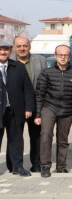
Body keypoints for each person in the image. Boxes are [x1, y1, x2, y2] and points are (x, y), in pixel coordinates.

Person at [35, 45, 72, 177]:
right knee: (46, 135)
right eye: (60, 55)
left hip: (68, 109)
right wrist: (38, 114)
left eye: (66, 55)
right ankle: (45, 165)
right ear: (55, 55)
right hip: (49, 107)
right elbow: (39, 94)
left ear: (69, 57)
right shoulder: (46, 73)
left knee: (63, 139)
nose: (63, 57)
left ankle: (61, 166)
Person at [9, 36, 46, 173]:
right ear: (14, 47)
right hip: (15, 106)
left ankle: (36, 165)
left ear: (29, 46)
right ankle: (13, 165)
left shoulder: (40, 60)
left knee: (36, 137)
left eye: (25, 45)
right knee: (15, 137)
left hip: (36, 104)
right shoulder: (9, 61)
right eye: (18, 46)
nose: (22, 48)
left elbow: (45, 81)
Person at [0, 40, 34, 177]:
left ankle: (17, 167)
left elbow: (28, 89)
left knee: (16, 140)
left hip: (15, 110)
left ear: (10, 51)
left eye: (5, 49)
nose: (3, 52)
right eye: (0, 50)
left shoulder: (18, 67)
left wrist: (29, 108)